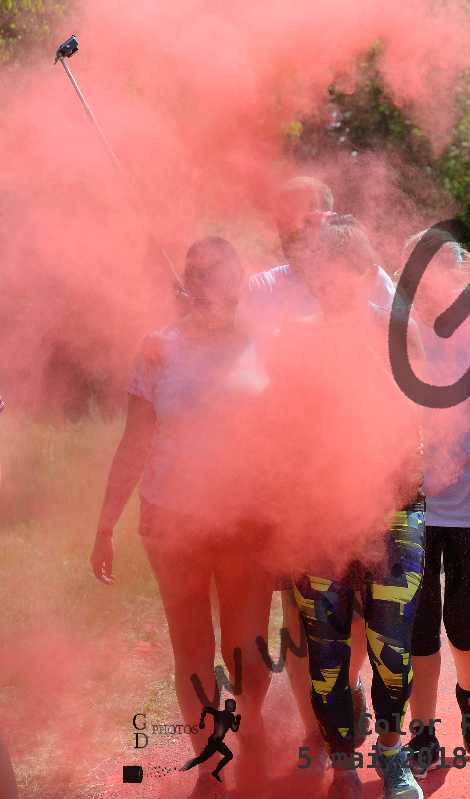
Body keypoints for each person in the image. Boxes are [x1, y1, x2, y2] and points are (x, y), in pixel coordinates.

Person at [90, 237, 274, 799]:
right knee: (191, 646)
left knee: (246, 649)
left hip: (247, 518)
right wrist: (105, 526)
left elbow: (289, 436)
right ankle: (209, 768)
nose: (217, 294)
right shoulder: (158, 349)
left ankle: (252, 724)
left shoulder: (264, 344)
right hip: (170, 519)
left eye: (227, 283)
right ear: (190, 287)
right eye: (204, 282)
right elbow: (134, 442)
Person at [281, 215, 426, 799]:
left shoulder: (398, 333)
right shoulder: (293, 338)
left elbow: (429, 415)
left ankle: (392, 756)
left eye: (346, 270)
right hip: (318, 517)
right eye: (323, 271)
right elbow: (274, 431)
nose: (333, 282)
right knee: (326, 650)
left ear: (366, 272)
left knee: (392, 644)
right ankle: (343, 764)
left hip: (395, 506)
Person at [241, 177, 381, 766]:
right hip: (294, 479)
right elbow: (245, 367)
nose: (294, 231)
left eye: (307, 220)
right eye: (285, 221)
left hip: (365, 474)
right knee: (302, 616)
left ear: (331, 217)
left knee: (358, 613)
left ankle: (345, 688)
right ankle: (316, 732)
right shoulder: (262, 288)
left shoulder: (370, 278)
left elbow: (400, 354)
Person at [404, 236, 470, 776]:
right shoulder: (398, 331)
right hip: (413, 501)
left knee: (466, 623)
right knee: (418, 623)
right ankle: (422, 727)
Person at [182, 699, 242, 783]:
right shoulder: (219, 714)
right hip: (214, 741)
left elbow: (234, 729)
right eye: (233, 705)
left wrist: (238, 721)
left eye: (234, 704)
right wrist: (202, 720)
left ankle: (215, 772)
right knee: (201, 759)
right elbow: (205, 709)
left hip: (218, 742)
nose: (234, 706)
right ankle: (184, 768)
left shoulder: (231, 717)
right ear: (228, 706)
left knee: (229, 755)